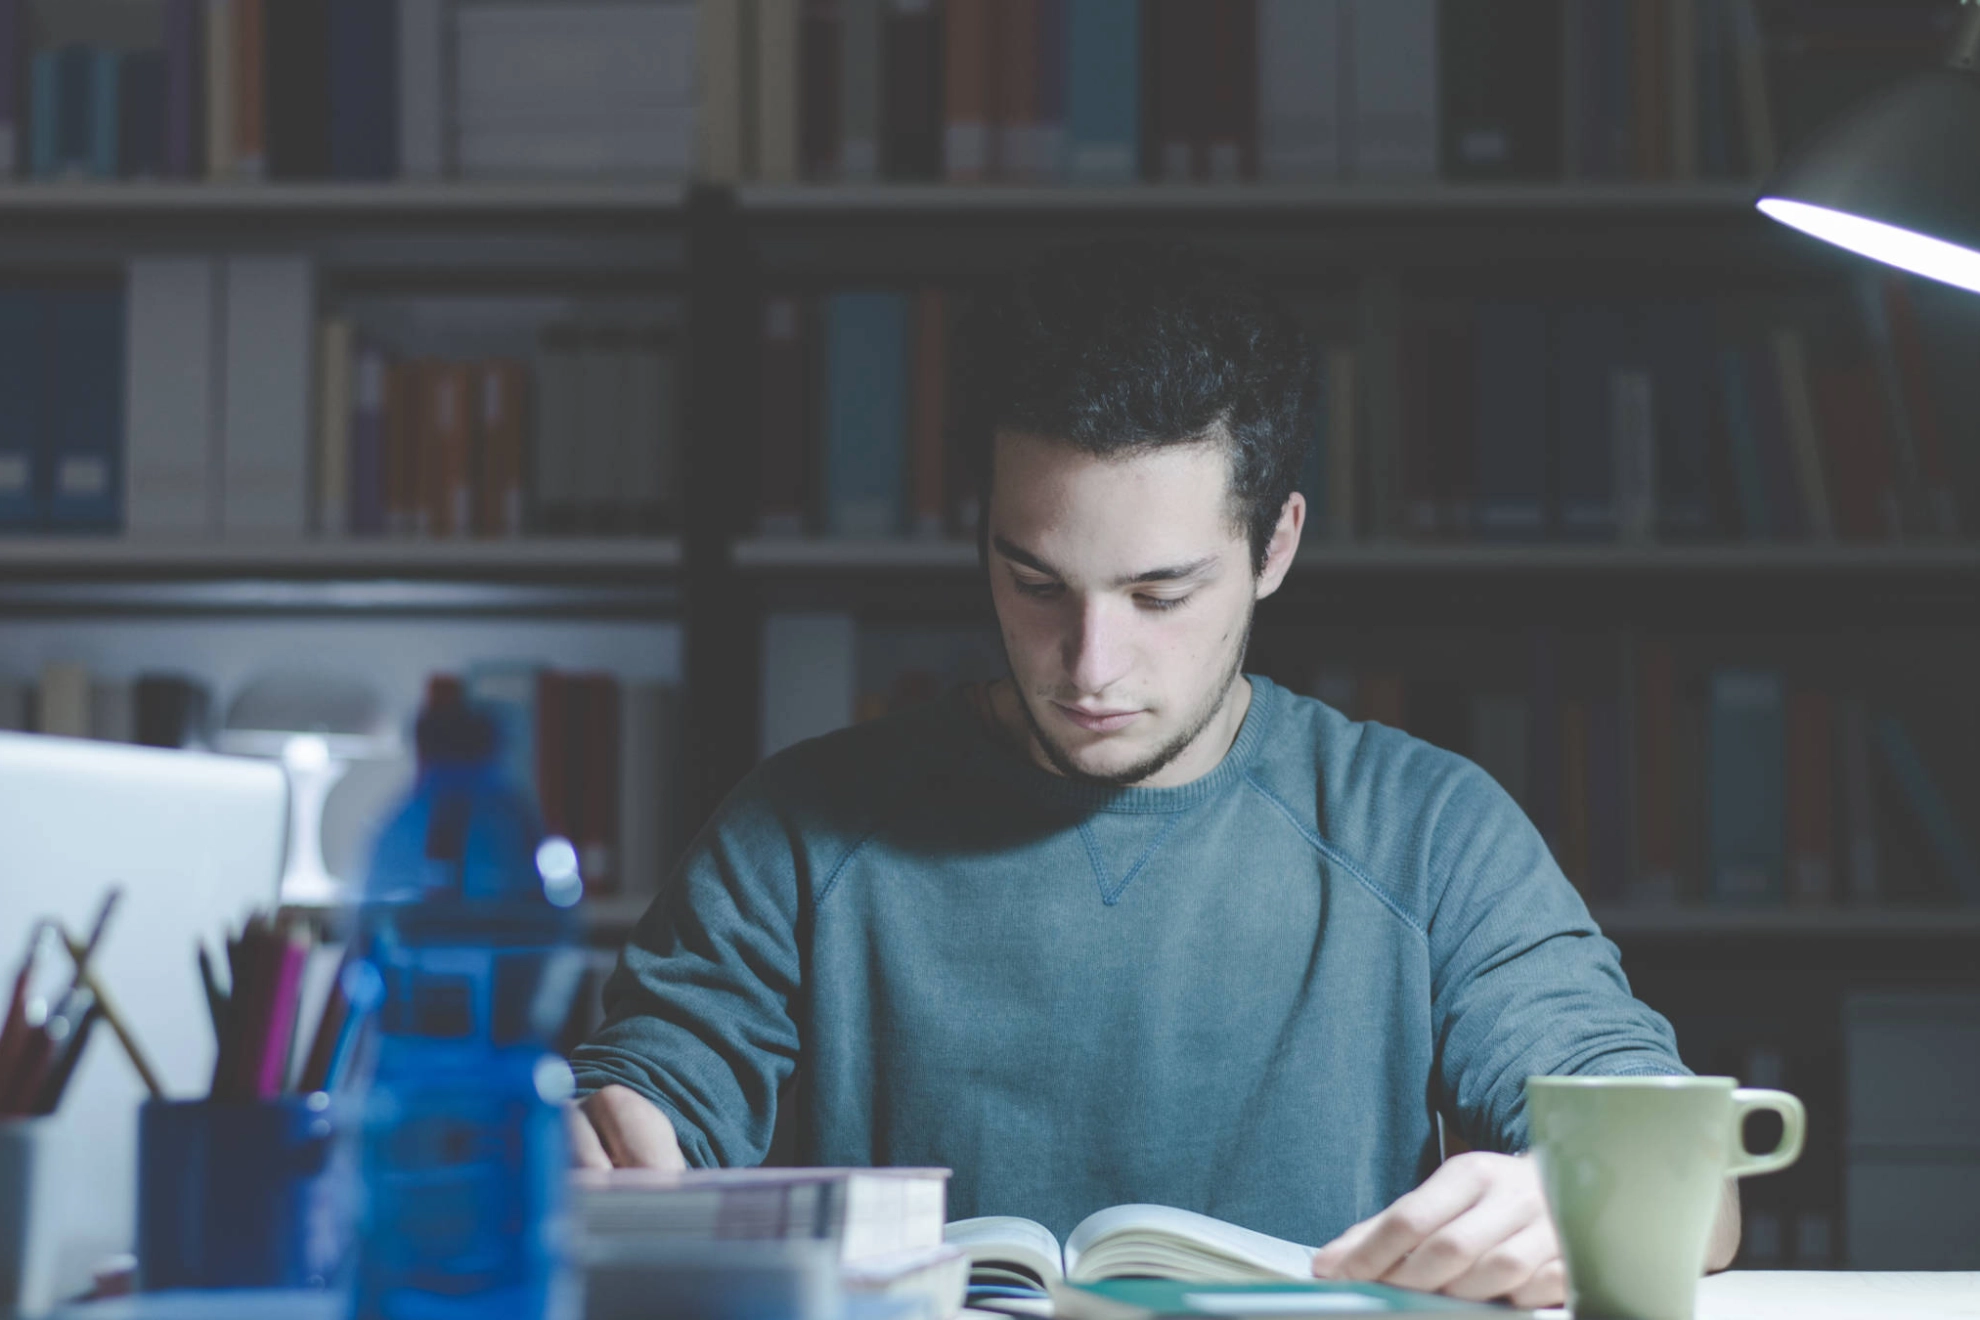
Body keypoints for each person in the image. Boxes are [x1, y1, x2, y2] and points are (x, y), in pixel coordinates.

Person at [567, 242, 1738, 1308]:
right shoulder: (798, 834)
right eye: (1035, 584)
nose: (1090, 665)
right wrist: (587, 1150)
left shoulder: (1427, 832)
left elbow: (1695, 1183)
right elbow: (636, 1102)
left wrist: (1593, 1204)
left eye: (1159, 596)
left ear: (1275, 546)